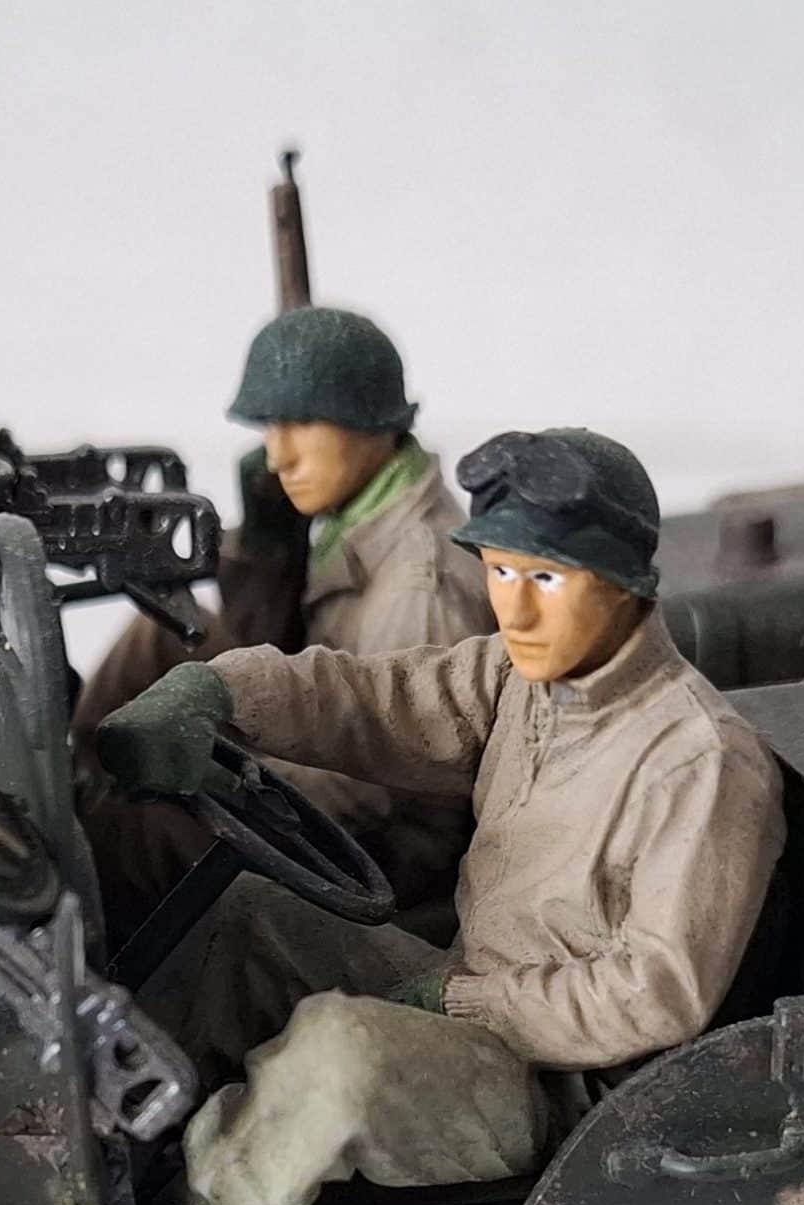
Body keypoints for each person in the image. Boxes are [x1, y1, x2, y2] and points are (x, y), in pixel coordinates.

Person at [101, 428, 784, 1205]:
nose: (515, 607)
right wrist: (224, 692)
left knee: (340, 1050)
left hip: (569, 1095)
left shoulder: (701, 760)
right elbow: (376, 698)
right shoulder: (523, 678)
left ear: (624, 584)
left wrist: (463, 1000)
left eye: (544, 578)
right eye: (499, 570)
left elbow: (656, 993)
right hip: (474, 999)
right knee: (249, 916)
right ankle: (118, 1130)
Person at [76, 306, 493, 930]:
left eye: (301, 423)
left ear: (370, 420)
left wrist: (218, 772)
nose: (278, 456)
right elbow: (271, 640)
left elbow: (389, 787)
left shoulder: (419, 585)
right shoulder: (354, 515)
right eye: (271, 426)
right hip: (330, 739)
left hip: (382, 845)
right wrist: (267, 550)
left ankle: (99, 887)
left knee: (137, 830)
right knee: (159, 635)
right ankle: (78, 775)